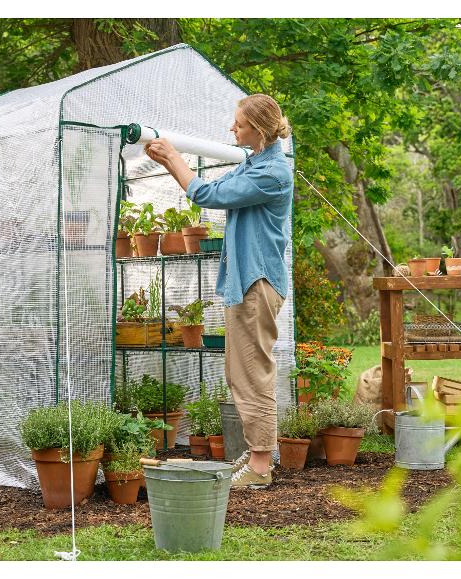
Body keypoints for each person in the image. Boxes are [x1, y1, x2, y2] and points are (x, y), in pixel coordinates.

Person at [144, 94, 293, 489]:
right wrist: (172, 163)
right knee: (238, 372)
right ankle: (257, 452)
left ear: (258, 130)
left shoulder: (273, 173)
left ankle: (260, 466)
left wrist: (174, 158)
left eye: (239, 124)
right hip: (246, 282)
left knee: (251, 373)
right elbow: (207, 186)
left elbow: (206, 196)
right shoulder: (253, 164)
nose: (232, 129)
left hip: (257, 283)